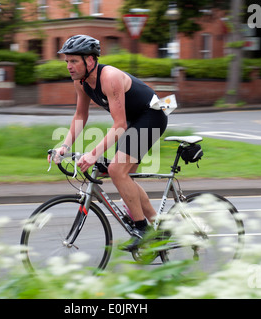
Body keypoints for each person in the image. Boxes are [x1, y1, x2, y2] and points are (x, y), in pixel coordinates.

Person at [48, 35, 168, 250]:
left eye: (74, 61)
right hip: (134, 121)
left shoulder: (109, 77)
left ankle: (143, 230)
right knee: (124, 175)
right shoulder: (81, 82)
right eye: (67, 61)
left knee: (117, 171)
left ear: (90, 61)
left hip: (151, 116)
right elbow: (80, 116)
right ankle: (162, 226)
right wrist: (64, 147)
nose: (69, 66)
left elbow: (119, 124)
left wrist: (92, 153)